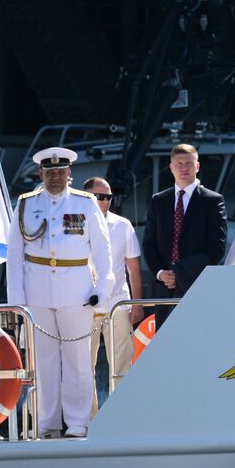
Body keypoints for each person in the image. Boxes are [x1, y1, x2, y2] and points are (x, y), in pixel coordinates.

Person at [5, 147, 113, 438]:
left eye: (60, 172)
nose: (55, 177)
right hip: (37, 290)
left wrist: (103, 289)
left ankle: (77, 423)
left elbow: (103, 252)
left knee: (78, 359)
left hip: (77, 292)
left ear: (69, 174)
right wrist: (16, 300)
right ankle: (47, 422)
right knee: (44, 360)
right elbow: (14, 254)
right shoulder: (26, 204)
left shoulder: (86, 203)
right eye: (49, 172)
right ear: (40, 174)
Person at [142, 144, 227, 324]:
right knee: (164, 345)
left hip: (196, 284)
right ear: (171, 168)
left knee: (195, 340)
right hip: (163, 287)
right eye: (179, 164)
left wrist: (180, 272)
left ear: (197, 166)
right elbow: (149, 244)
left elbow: (216, 248)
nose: (183, 168)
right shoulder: (159, 201)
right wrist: (160, 273)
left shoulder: (212, 201)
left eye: (188, 163)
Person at [83, 176, 144, 411]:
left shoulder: (123, 225)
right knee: (83, 367)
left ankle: (122, 416)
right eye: (100, 196)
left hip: (118, 303)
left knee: (121, 366)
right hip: (84, 306)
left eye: (108, 197)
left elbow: (134, 267)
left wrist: (136, 303)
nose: (105, 201)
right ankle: (86, 420)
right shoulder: (74, 227)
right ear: (88, 197)